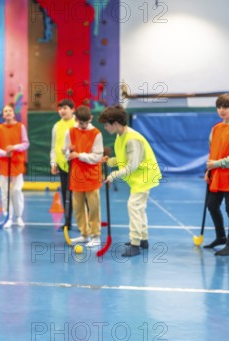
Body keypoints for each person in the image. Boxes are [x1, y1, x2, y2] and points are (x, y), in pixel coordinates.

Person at [99, 105, 161, 257]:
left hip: (143, 177)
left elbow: (131, 166)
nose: (105, 128)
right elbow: (123, 159)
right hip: (138, 178)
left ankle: (135, 244)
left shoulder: (133, 139)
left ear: (115, 123)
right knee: (139, 208)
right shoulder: (120, 135)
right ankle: (143, 239)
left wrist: (113, 176)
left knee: (133, 206)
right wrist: (110, 161)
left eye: (107, 124)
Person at [65, 105, 103, 248]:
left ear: (91, 119)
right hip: (76, 175)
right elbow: (66, 154)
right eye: (81, 123)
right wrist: (68, 153)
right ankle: (84, 234)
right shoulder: (70, 132)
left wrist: (79, 155)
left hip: (92, 176)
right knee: (78, 207)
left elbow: (97, 156)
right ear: (76, 119)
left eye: (86, 123)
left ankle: (96, 236)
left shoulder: (96, 133)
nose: (83, 126)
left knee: (93, 208)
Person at [0, 104, 29, 229]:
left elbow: (25, 143)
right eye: (5, 111)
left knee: (17, 191)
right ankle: (8, 217)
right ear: (3, 114)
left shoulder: (20, 127)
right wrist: (4, 153)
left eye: (10, 110)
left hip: (17, 164)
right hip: (4, 164)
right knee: (5, 192)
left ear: (13, 113)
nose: (7, 113)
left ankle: (18, 217)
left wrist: (15, 147)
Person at [203, 93, 229, 255]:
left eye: (225, 107)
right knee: (212, 205)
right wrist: (208, 170)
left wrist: (216, 164)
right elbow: (212, 152)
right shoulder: (216, 129)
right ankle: (221, 237)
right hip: (217, 175)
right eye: (219, 107)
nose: (222, 110)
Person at [50, 99, 76, 231]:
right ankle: (67, 222)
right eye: (60, 108)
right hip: (62, 165)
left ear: (72, 109)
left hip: (77, 165)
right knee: (66, 196)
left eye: (65, 108)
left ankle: (86, 224)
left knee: (80, 196)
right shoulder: (56, 126)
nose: (62, 111)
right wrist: (53, 162)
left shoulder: (78, 123)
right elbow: (54, 146)